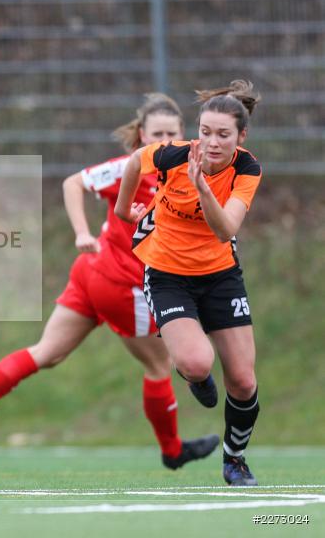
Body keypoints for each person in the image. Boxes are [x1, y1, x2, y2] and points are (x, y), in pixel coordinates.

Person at [0, 94, 219, 470]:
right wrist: (80, 232)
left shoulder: (190, 172)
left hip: (93, 273)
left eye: (171, 133)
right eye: (156, 134)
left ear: (183, 133)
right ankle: (172, 451)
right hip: (122, 285)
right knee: (160, 365)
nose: (164, 140)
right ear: (142, 136)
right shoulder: (131, 167)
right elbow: (74, 183)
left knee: (46, 353)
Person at [114, 80, 262, 487]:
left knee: (244, 381)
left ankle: (235, 460)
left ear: (241, 136)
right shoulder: (174, 155)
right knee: (196, 363)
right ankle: (195, 376)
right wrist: (125, 210)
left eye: (223, 135)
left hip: (220, 275)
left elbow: (225, 229)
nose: (212, 143)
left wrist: (202, 187)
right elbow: (135, 161)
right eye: (205, 132)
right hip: (167, 275)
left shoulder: (246, 169)